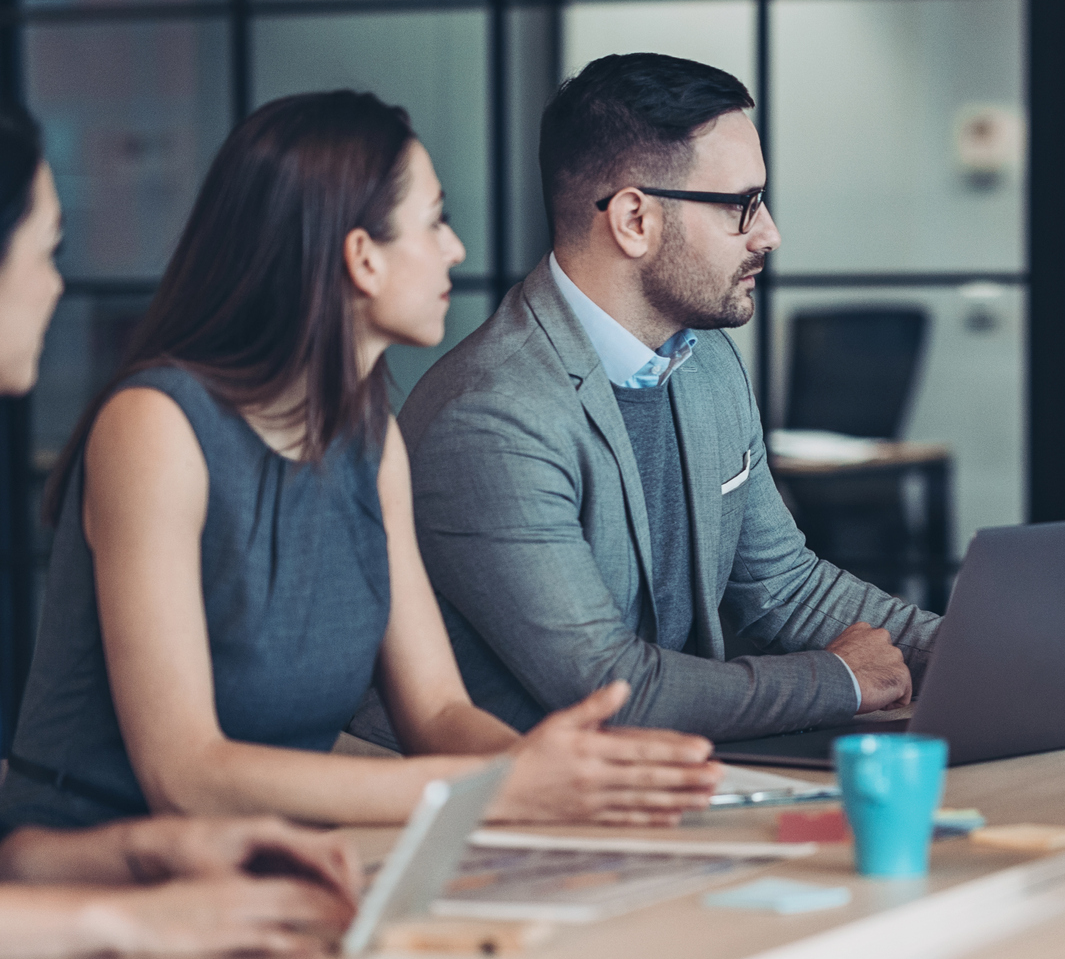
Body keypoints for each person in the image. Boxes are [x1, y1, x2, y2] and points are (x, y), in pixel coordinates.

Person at [0, 90, 722, 834]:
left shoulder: (369, 438)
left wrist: (560, 778)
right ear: (362, 257)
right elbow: (186, 775)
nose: (455, 248)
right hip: (95, 865)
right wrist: (503, 789)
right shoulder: (154, 426)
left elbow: (437, 712)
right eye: (434, 220)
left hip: (278, 862)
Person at [389, 53, 937, 743]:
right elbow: (608, 691)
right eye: (742, 205)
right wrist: (842, 680)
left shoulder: (704, 360)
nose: (769, 233)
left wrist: (987, 655)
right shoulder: (492, 417)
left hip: (667, 786)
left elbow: (788, 589)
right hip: (522, 813)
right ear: (633, 220)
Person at [0, 103, 360, 959]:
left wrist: (137, 854)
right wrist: (119, 920)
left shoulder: (366, 432)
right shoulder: (155, 423)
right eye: (46, 250)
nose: (56, 283)